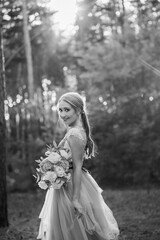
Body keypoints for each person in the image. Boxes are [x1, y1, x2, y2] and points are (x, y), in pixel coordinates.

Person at [37, 92, 119, 240]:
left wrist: (75, 199)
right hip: (65, 182)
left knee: (72, 228)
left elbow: (77, 166)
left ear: (79, 110)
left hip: (71, 185)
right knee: (68, 228)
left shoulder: (75, 133)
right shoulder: (75, 130)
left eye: (66, 110)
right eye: (60, 110)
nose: (62, 114)